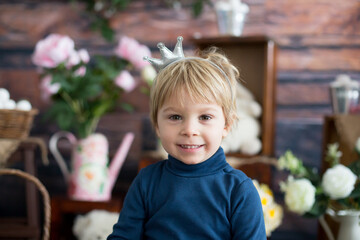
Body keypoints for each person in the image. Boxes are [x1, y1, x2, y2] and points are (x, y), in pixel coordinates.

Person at [107, 36, 266, 240]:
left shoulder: (239, 191)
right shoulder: (147, 182)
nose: (190, 130)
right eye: (175, 117)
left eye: (205, 117)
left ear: (226, 125)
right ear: (157, 124)